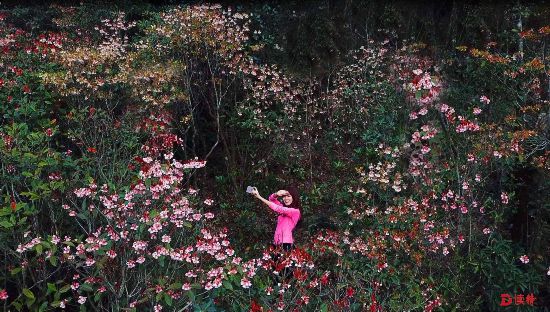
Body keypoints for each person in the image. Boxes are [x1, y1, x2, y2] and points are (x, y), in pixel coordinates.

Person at [250, 186, 301, 252]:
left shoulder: (295, 211)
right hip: (276, 243)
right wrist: (276, 194)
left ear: (294, 197)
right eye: (284, 196)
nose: (286, 198)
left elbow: (276, 208)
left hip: (286, 243)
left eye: (288, 196)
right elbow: (271, 199)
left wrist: (259, 197)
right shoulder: (283, 207)